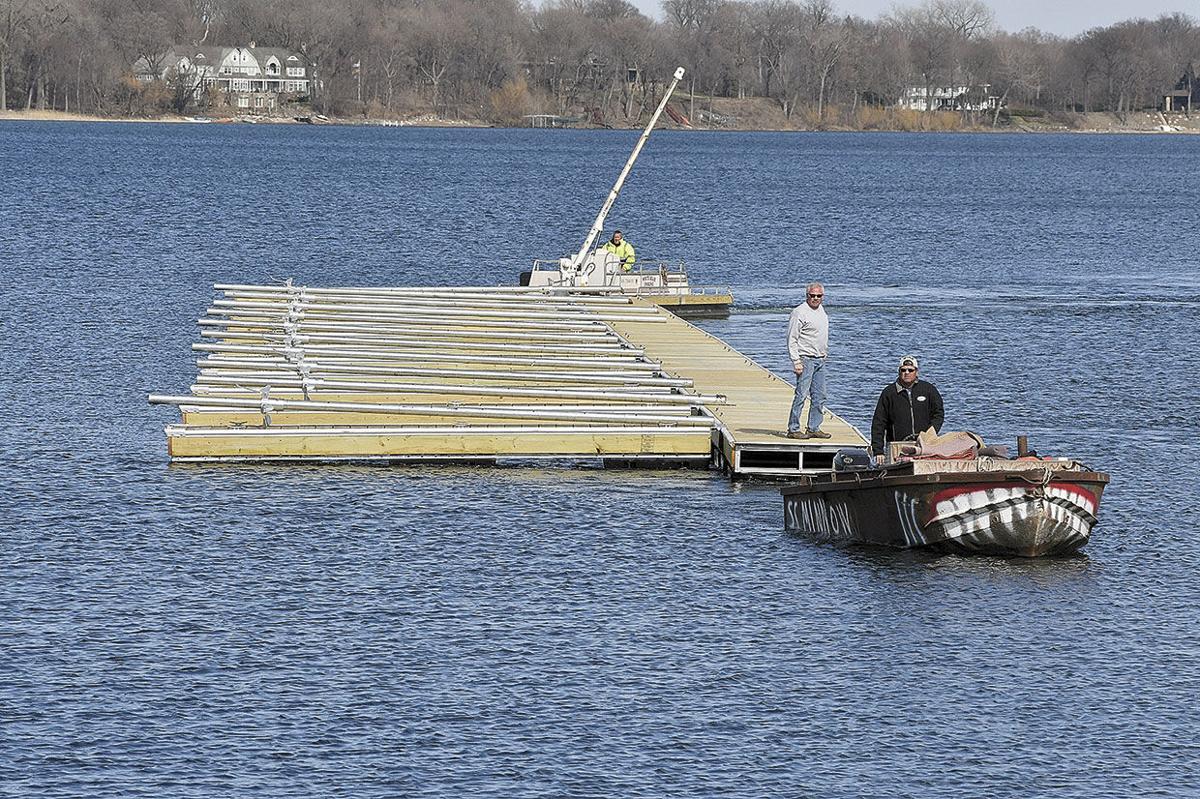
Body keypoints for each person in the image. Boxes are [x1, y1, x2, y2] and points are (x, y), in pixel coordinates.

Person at [871, 355, 944, 463]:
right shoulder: (889, 393)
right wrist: (878, 451)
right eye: (903, 370)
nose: (907, 372)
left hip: (925, 444)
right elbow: (878, 423)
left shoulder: (928, 390)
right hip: (897, 446)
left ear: (916, 372)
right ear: (899, 372)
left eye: (910, 370)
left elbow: (938, 413)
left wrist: (931, 432)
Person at [785, 282, 831, 439]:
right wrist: (796, 361)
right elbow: (792, 338)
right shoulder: (799, 312)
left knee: (820, 395)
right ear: (807, 296)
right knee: (801, 394)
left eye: (819, 296)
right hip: (805, 359)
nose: (816, 298)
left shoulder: (821, 311)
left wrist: (824, 352)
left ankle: (813, 427)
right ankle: (793, 428)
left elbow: (820, 333)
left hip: (820, 359)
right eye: (812, 296)